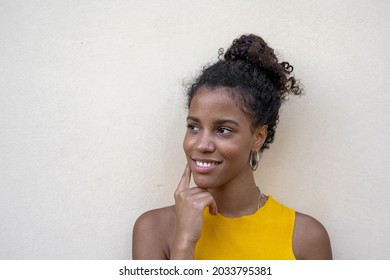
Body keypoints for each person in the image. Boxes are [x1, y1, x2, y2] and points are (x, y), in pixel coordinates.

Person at [132, 34, 332, 260]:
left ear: (258, 137)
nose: (201, 145)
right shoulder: (153, 230)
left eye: (223, 130)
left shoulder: (305, 239)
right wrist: (185, 241)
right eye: (194, 127)